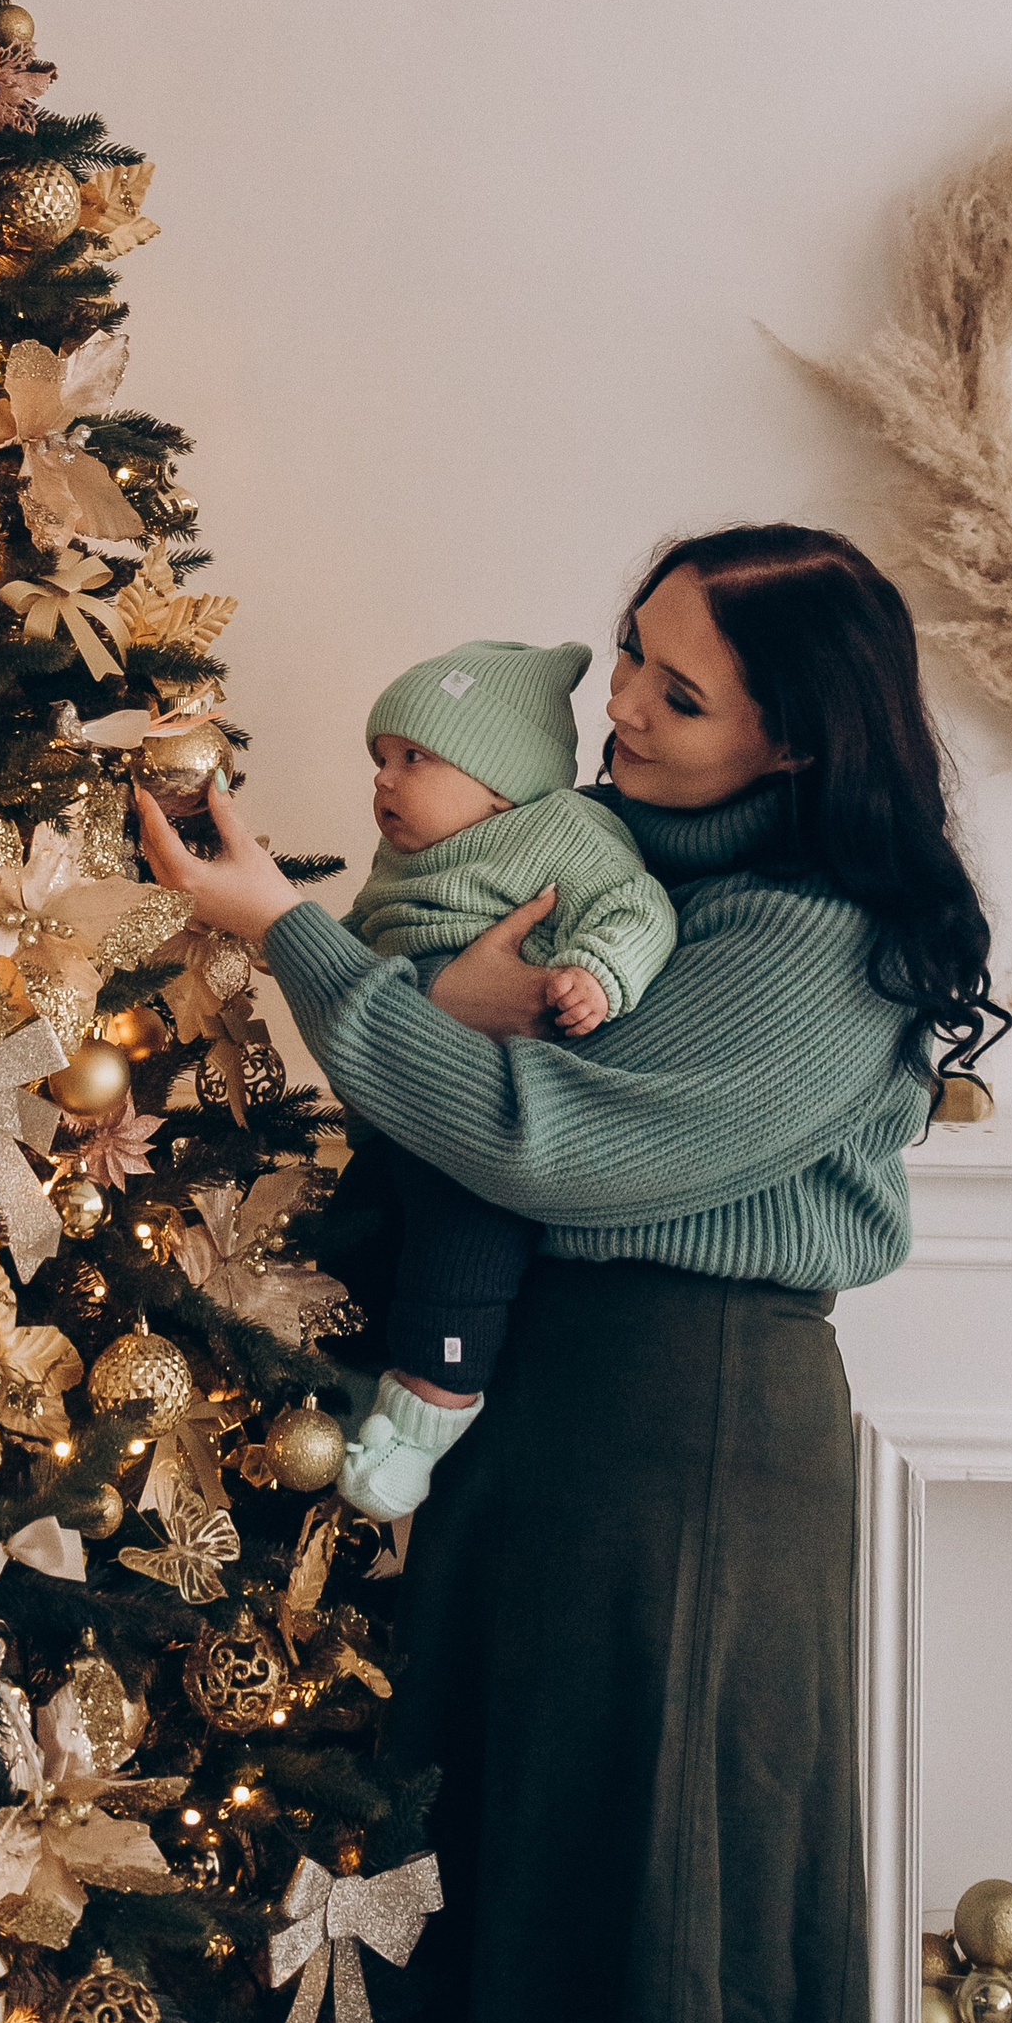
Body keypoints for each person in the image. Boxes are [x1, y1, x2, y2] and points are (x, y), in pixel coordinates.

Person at [135, 523, 1003, 2023]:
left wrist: (287, 935)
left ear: (796, 744)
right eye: (627, 657)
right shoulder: (607, 877)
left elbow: (539, 1141)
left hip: (687, 1448)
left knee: (658, 1907)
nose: (620, 707)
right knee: (492, 1892)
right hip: (550, 1431)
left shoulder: (817, 946)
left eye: (678, 695)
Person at [333, 636, 679, 1522]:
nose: (385, 779)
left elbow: (637, 907)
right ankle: (347, 1381)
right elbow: (366, 932)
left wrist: (595, 972)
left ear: (502, 780)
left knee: (461, 1249)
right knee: (357, 1232)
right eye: (381, 758)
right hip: (396, 1103)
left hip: (483, 1102)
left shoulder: (561, 830)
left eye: (414, 757)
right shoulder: (406, 860)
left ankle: (430, 1410)